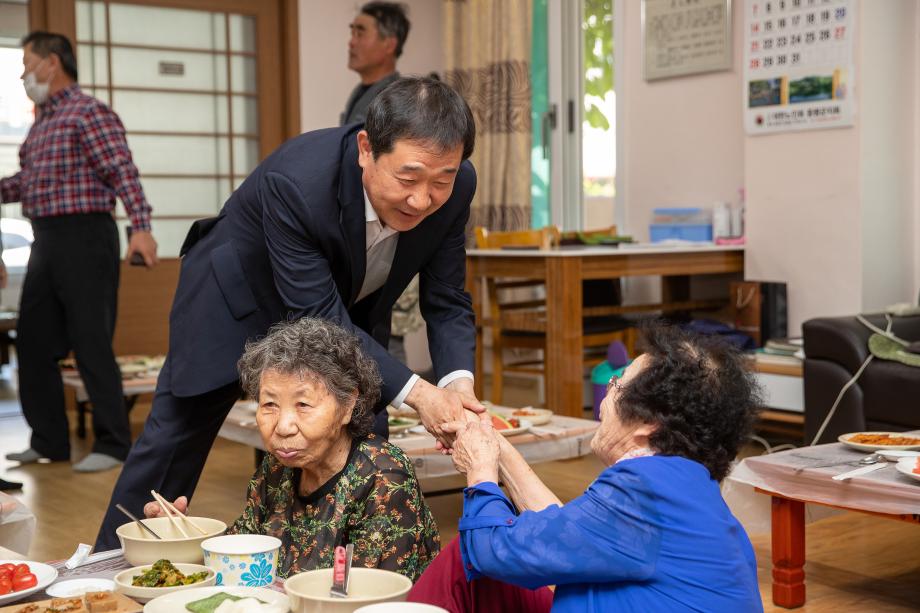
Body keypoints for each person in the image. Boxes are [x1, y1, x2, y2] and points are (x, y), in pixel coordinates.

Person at [95, 76, 482, 550]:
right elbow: (317, 314)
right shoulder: (298, 180)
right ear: (366, 148)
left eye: (440, 180)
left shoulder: (457, 184)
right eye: (407, 178)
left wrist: (456, 386)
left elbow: (446, 296)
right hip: (235, 303)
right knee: (174, 439)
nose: (422, 199)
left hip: (345, 310)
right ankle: (112, 569)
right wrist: (420, 395)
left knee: (360, 437)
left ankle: (350, 575)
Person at [408, 323, 764, 613]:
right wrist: (493, 444)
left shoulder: (645, 489)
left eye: (616, 384)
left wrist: (479, 469)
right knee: (469, 562)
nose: (605, 396)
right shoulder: (680, 487)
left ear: (647, 424)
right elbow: (560, 527)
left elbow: (488, 550)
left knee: (470, 557)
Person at [145, 318, 439, 580]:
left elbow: (366, 596)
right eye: (269, 404)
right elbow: (241, 555)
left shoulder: (383, 478)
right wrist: (181, 538)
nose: (283, 427)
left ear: (348, 405)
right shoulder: (277, 468)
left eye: (303, 405)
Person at [1, 32, 158, 473]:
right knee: (31, 341)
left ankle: (113, 443)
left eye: (28, 62)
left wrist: (141, 228)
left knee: (91, 341)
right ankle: (49, 440)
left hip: (87, 236)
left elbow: (121, 170)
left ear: (52, 63)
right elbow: (26, 184)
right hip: (45, 239)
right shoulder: (41, 123)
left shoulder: (88, 112)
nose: (23, 73)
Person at [341, 2, 409, 126]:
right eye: (352, 34)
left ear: (389, 45)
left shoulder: (396, 100)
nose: (351, 42)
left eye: (360, 34)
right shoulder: (358, 91)